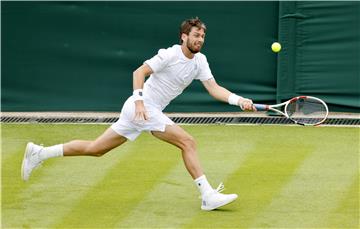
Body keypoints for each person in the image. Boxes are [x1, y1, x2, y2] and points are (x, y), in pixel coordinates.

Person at [21, 17, 255, 211]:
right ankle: (207, 196)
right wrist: (140, 102)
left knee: (96, 149)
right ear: (184, 36)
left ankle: (39, 153)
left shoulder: (200, 61)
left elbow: (214, 88)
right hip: (141, 107)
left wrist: (239, 100)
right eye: (196, 35)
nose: (200, 40)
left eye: (202, 36)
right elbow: (139, 72)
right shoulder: (169, 55)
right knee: (188, 142)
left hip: (143, 111)